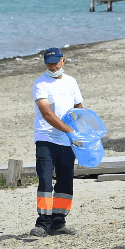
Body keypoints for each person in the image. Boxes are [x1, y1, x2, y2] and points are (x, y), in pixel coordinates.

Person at [30, 47, 86, 237]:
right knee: (45, 180)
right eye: (49, 63)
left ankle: (58, 222)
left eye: (56, 62)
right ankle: (43, 223)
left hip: (66, 140)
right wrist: (70, 130)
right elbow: (46, 113)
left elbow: (78, 107)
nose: (53, 66)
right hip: (46, 138)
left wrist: (79, 130)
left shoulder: (71, 82)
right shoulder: (40, 84)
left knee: (65, 181)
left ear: (63, 60)